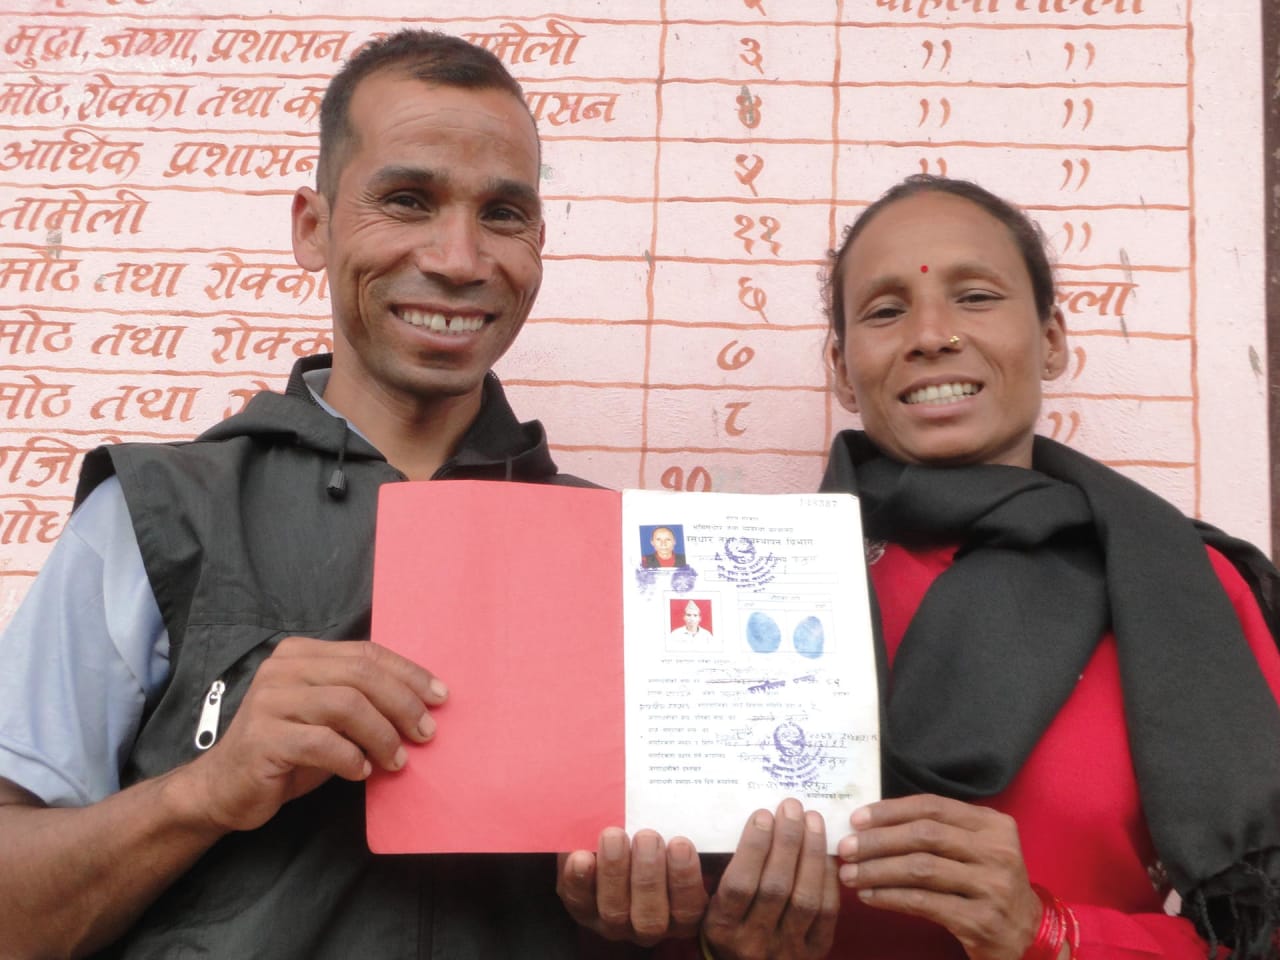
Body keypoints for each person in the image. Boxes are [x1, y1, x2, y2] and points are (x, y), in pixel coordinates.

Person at [0, 29, 652, 959]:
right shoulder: (154, 516)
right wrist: (207, 788)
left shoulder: (621, 550)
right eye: (407, 200)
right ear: (313, 226)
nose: (460, 258)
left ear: (537, 245)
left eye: (503, 215)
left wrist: (667, 922)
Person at [560, 175, 1280, 960]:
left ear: (1052, 339)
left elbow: (1259, 931)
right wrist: (695, 941)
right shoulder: (730, 590)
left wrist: (1050, 934)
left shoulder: (1182, 589)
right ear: (840, 363)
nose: (931, 334)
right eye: (886, 310)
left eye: (976, 297)